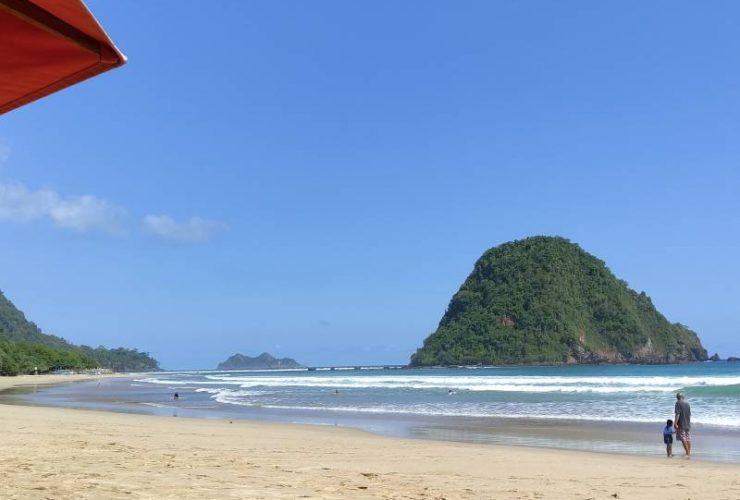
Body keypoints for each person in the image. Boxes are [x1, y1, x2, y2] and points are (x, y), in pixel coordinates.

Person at [674, 392, 692, 459]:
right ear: (682, 397)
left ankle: (687, 453)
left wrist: (675, 423)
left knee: (683, 438)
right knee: (688, 437)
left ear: (678, 397)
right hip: (687, 423)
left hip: (681, 423)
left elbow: (677, 414)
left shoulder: (678, 403)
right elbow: (689, 414)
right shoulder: (687, 403)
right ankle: (688, 452)